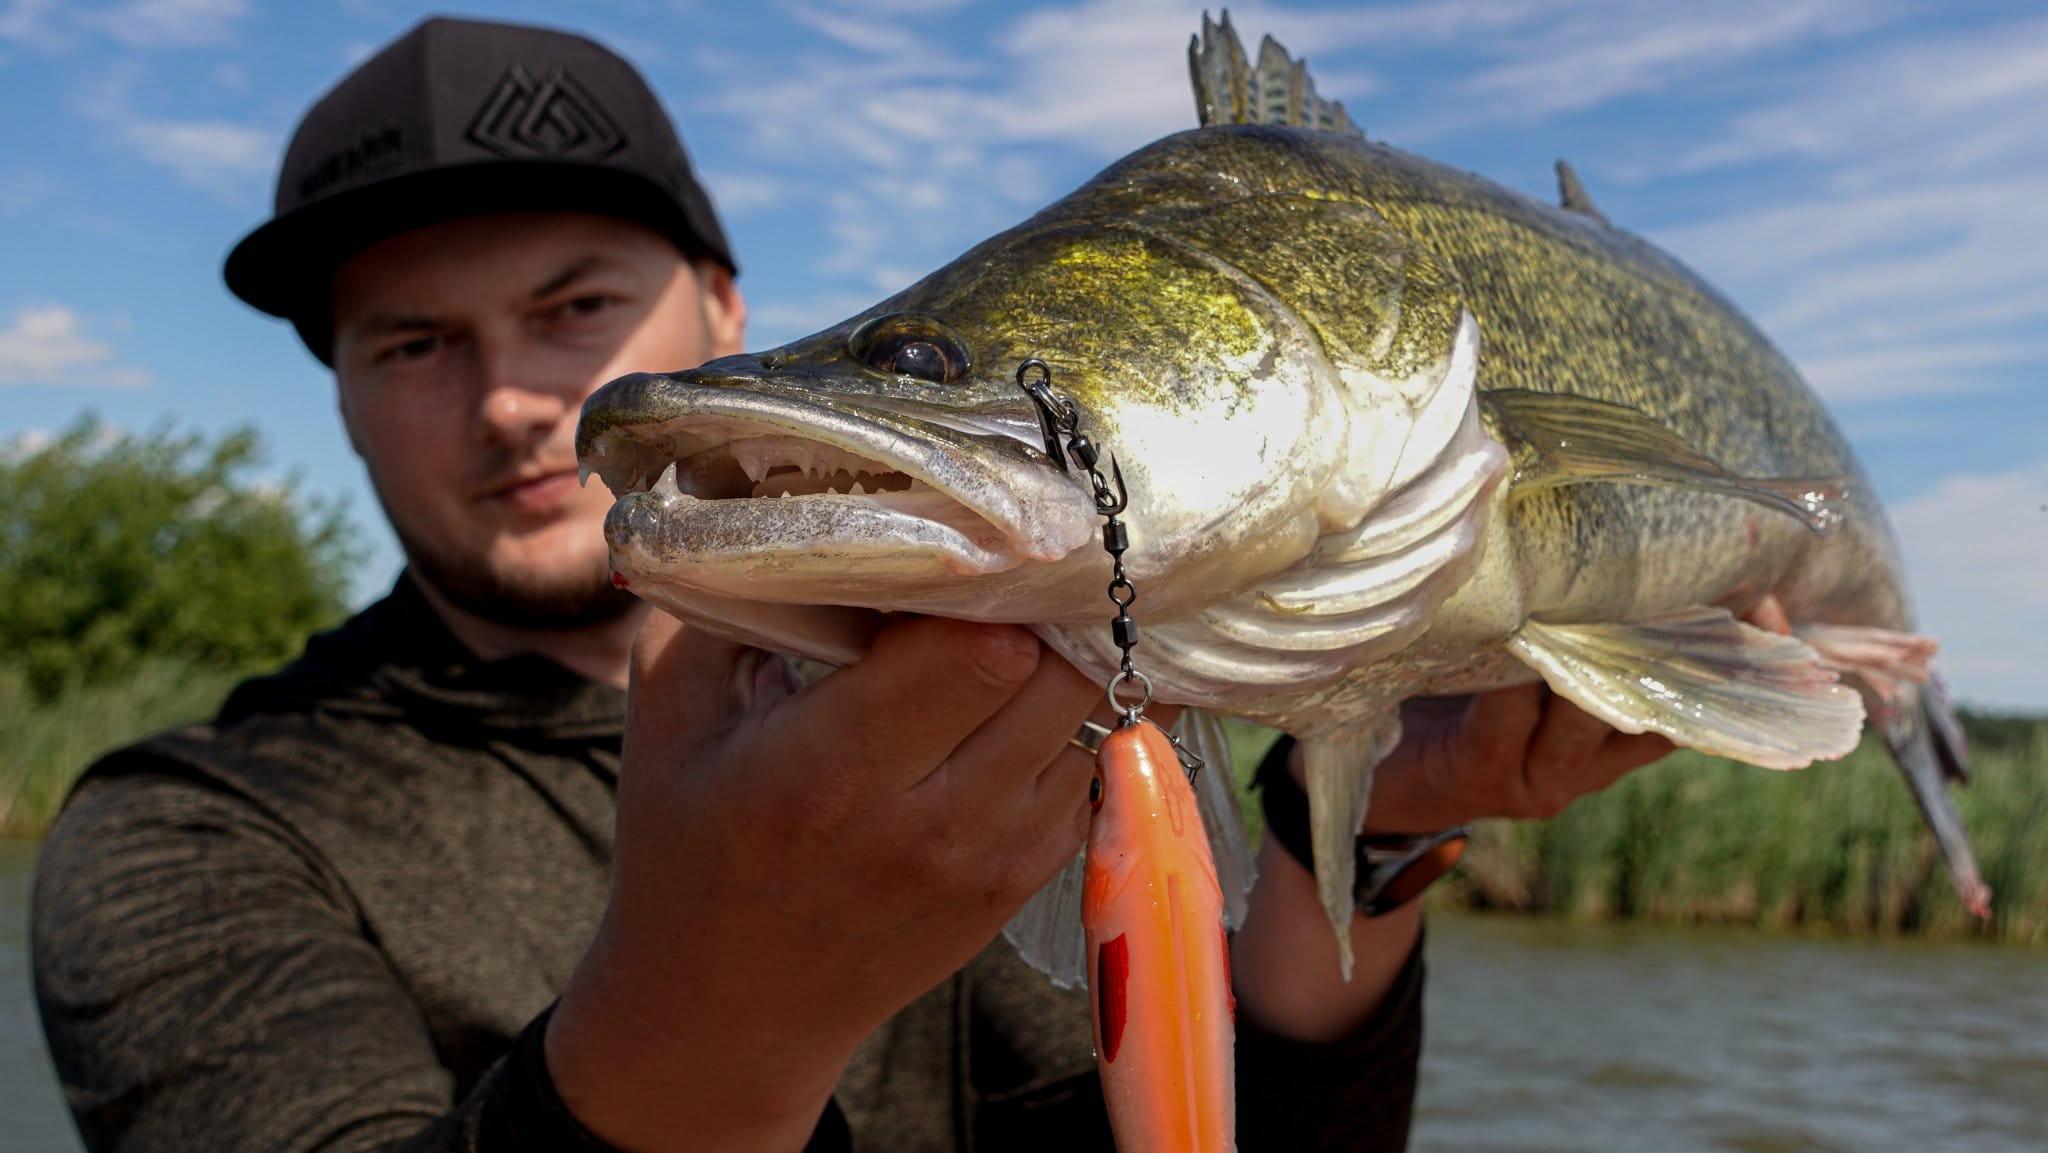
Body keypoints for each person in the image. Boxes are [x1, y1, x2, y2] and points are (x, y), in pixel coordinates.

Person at [31, 17, 1678, 1153]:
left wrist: (1370, 828)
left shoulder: (1036, 651)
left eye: (575, 306)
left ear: (725, 309)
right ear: (338, 395)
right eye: (413, 343)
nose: (515, 398)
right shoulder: (189, 833)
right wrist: (713, 1023)